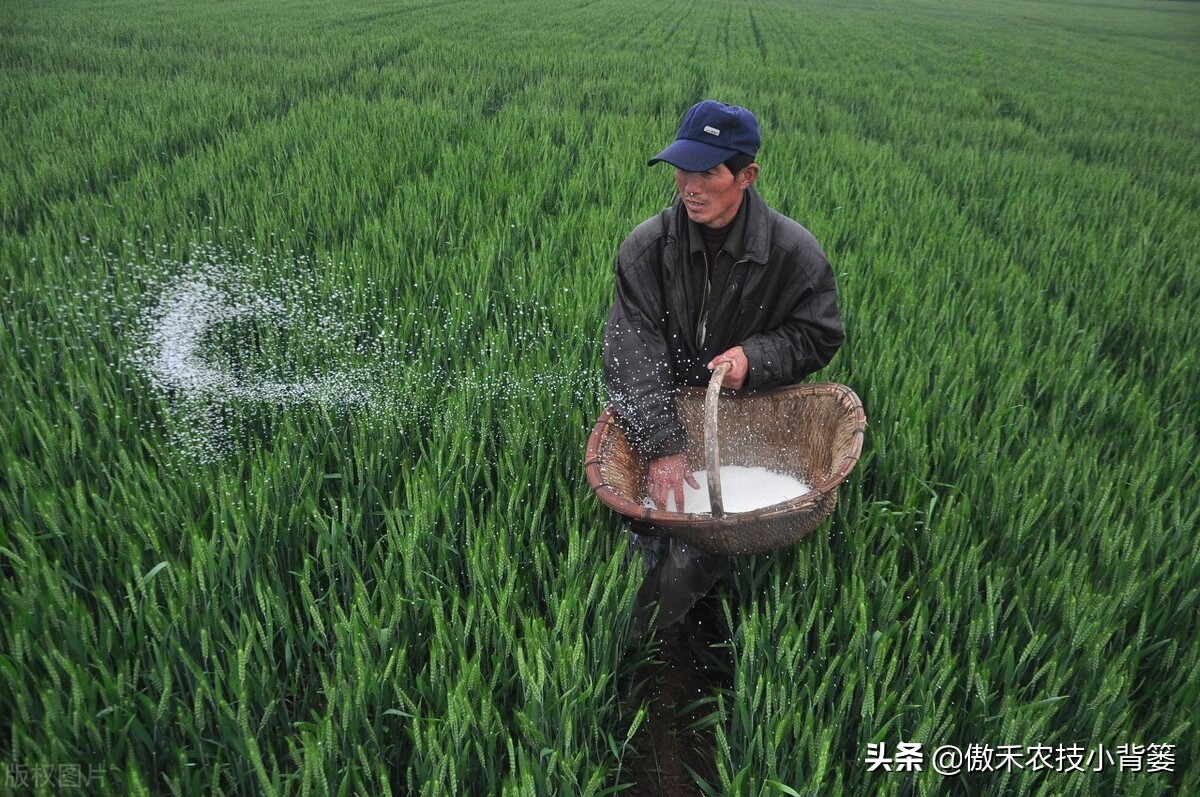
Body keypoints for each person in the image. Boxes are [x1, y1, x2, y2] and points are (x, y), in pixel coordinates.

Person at [602, 100, 844, 631]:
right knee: (638, 544)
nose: (690, 185)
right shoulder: (646, 249)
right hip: (662, 414)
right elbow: (630, 350)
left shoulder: (794, 256)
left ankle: (666, 629)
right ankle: (616, 637)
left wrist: (753, 360)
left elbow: (818, 334)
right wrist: (663, 447)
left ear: (746, 175)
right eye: (682, 169)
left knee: (691, 560)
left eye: (708, 172)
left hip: (742, 426)